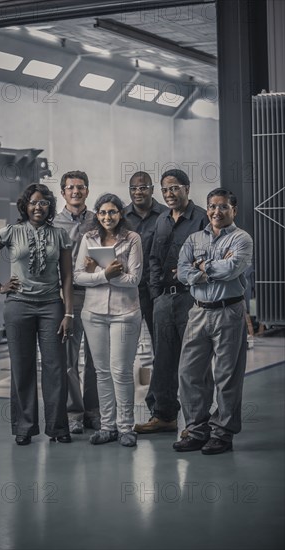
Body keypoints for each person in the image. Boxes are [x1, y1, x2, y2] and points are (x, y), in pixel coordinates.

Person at [0, 183, 73, 445]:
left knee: (56, 368)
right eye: (33, 203)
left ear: (50, 207)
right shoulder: (11, 232)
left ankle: (58, 427)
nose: (38, 207)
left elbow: (67, 276)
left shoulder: (60, 234)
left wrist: (68, 313)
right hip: (18, 306)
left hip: (52, 306)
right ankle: (24, 427)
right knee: (22, 367)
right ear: (25, 206)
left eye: (43, 203)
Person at [173, 188, 253, 454]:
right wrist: (207, 271)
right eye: (212, 206)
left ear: (234, 210)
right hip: (198, 311)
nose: (216, 212)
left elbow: (232, 270)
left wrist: (203, 266)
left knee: (227, 376)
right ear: (207, 208)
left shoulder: (242, 239)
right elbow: (182, 272)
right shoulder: (194, 238)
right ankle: (197, 430)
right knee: (189, 373)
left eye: (223, 207)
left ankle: (223, 433)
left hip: (228, 311)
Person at [134, 169, 208, 434]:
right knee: (163, 359)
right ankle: (164, 415)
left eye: (175, 188)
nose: (169, 194)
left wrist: (190, 277)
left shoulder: (201, 218)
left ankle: (198, 421)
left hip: (192, 298)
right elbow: (154, 257)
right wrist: (156, 294)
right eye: (165, 190)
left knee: (193, 361)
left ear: (187, 188)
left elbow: (209, 258)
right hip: (164, 298)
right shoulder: (162, 219)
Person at [74, 193, 143, 447]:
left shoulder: (133, 239)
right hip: (93, 313)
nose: (107, 217)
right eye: (102, 213)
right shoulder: (88, 238)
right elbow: (78, 277)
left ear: (121, 214)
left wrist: (99, 273)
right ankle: (107, 427)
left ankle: (126, 428)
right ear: (97, 214)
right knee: (101, 372)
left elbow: (134, 280)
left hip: (125, 313)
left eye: (112, 212)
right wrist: (107, 273)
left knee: (121, 371)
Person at [53, 170, 100, 435]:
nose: (75, 191)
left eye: (80, 187)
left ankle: (94, 411)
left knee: (96, 358)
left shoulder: (98, 220)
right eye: (70, 187)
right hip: (67, 297)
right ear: (63, 192)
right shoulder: (54, 224)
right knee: (69, 359)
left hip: (95, 294)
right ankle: (74, 413)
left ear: (87, 190)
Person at [125, 171, 167, 340]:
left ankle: (161, 367)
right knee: (125, 340)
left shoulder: (166, 215)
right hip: (130, 289)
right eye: (134, 188)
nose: (138, 192)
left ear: (152, 189)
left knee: (161, 341)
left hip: (158, 288)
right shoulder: (121, 216)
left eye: (143, 188)